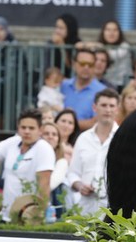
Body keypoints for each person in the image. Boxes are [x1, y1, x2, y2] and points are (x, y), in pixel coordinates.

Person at [67, 88, 119, 216]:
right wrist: (80, 186)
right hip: (85, 208)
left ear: (117, 109)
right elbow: (73, 173)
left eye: (112, 106)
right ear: (94, 108)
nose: (108, 110)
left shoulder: (124, 138)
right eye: (104, 105)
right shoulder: (83, 138)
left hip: (114, 209)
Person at [61, 48, 107, 130]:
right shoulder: (64, 85)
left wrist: (65, 124)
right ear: (74, 64)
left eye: (90, 65)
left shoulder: (102, 91)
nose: (86, 67)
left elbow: (96, 122)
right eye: (82, 64)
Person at [41, 121, 69, 215]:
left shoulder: (62, 162)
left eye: (54, 134)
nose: (50, 136)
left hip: (51, 210)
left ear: (58, 141)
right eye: (46, 134)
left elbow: (51, 184)